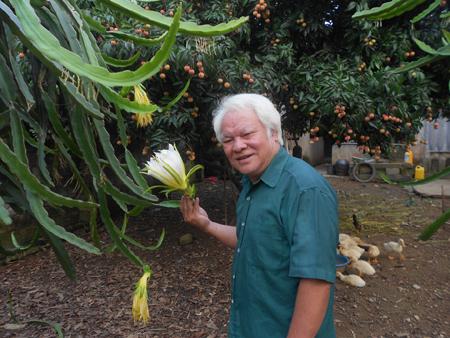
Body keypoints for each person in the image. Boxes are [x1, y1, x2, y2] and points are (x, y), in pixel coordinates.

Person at [180, 93, 338, 338]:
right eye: (228, 139)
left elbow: (315, 282)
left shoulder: (305, 189)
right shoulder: (253, 183)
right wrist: (207, 224)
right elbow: (250, 238)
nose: (238, 146)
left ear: (273, 133)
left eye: (247, 134)